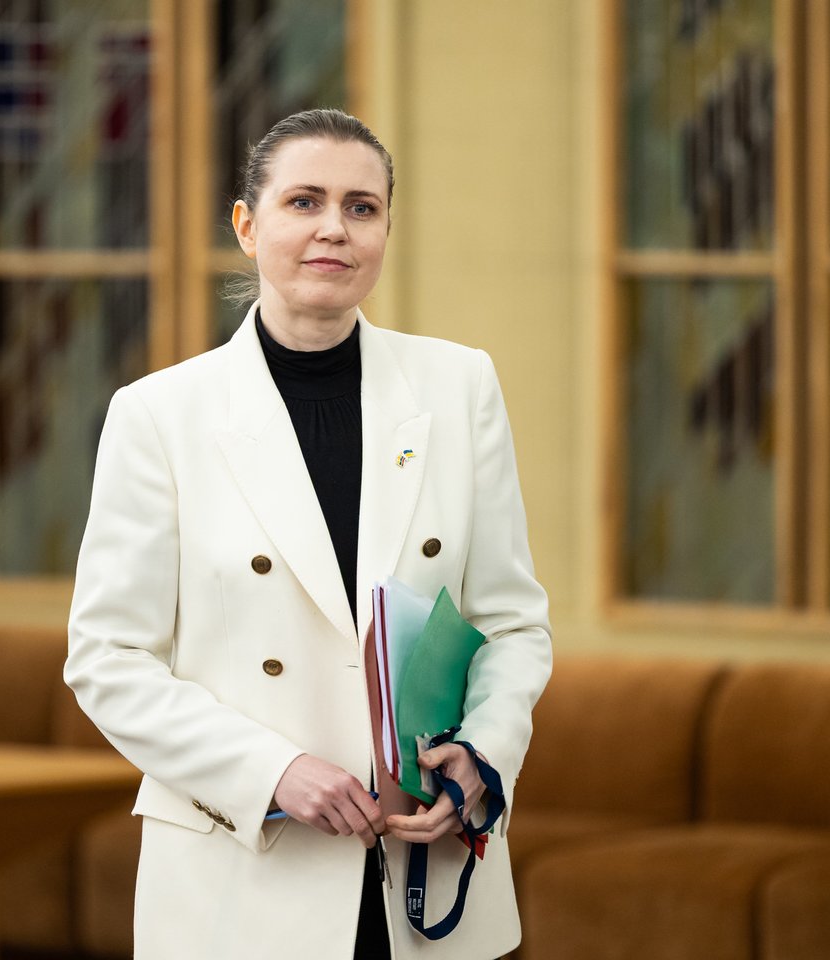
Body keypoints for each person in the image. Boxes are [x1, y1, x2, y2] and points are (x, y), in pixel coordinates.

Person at [65, 108, 551, 960]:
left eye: (362, 208)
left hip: (424, 865)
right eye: (304, 201)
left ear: (386, 230)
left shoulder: (459, 387)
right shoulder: (159, 415)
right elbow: (108, 658)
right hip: (245, 879)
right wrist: (271, 772)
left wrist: (482, 755)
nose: (335, 228)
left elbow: (511, 622)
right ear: (247, 226)